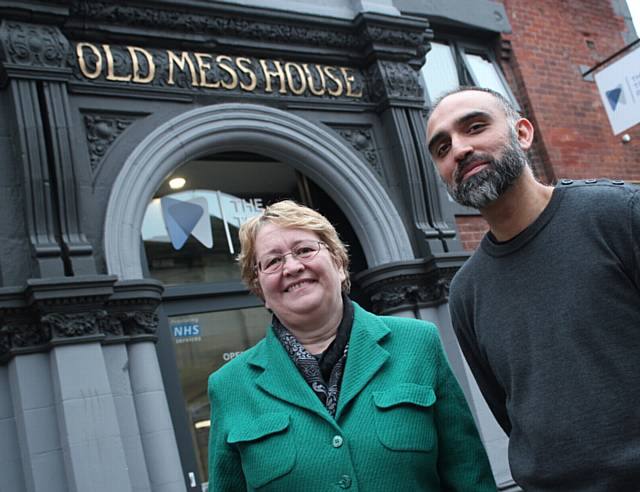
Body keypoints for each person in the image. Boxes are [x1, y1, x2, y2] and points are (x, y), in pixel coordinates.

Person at [426, 86, 640, 491]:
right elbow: (509, 413)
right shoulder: (466, 292)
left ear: (523, 133)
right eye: (442, 148)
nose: (459, 149)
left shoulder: (619, 215)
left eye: (475, 127)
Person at [207, 200, 496, 491]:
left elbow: (469, 475)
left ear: (339, 264)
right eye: (273, 261)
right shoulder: (230, 385)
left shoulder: (417, 343)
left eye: (305, 250)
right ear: (261, 292)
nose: (292, 267)